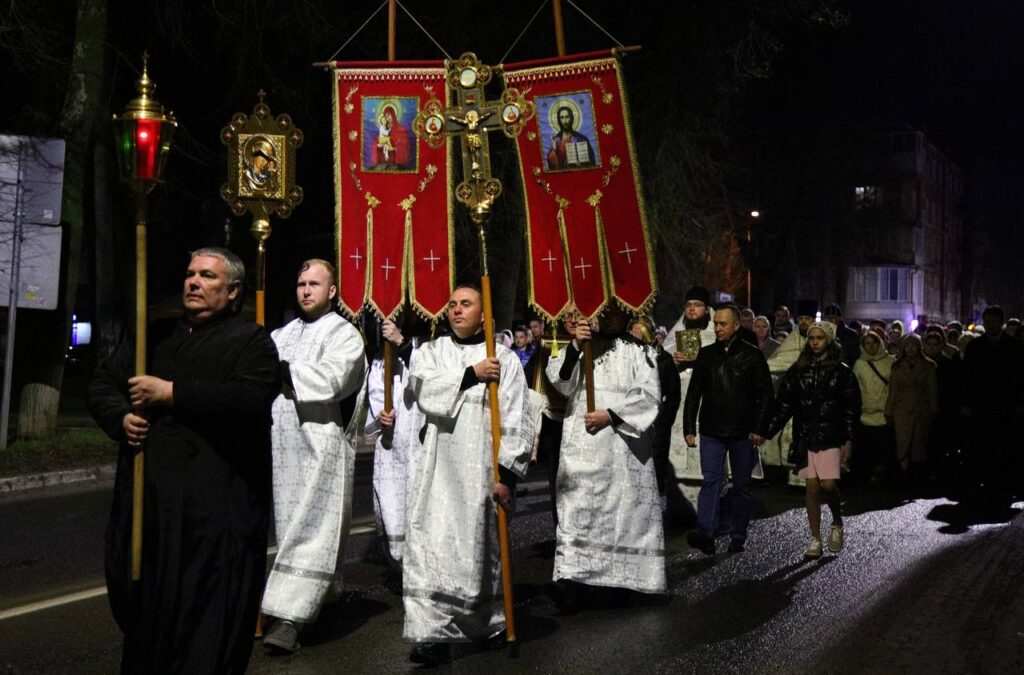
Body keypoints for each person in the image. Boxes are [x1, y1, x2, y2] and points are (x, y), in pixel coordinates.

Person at [88, 247, 280, 674]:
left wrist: (171, 393)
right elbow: (103, 384)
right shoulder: (153, 335)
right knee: (145, 622)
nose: (194, 282)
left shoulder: (251, 341)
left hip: (213, 517)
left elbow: (248, 399)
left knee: (203, 629)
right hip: (151, 509)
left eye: (207, 276)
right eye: (190, 273)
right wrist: (120, 417)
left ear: (232, 290)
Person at [402, 286, 532, 665]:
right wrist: (470, 375)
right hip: (437, 467)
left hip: (480, 470)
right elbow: (423, 389)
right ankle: (431, 632)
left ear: (484, 315)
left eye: (466, 304)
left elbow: (516, 419)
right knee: (428, 545)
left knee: (476, 551)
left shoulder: (504, 360)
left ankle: (487, 624)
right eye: (453, 305)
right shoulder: (432, 351)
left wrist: (507, 475)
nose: (457, 311)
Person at [260, 259, 366, 653]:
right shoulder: (279, 334)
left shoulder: (346, 335)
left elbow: (333, 380)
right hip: (282, 443)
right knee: (289, 528)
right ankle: (322, 594)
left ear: (332, 291)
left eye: (315, 284)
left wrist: (278, 369)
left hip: (321, 444)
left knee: (312, 527)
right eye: (301, 283)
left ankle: (289, 617)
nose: (306, 290)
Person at [545, 304, 665, 610]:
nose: (608, 317)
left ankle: (629, 582)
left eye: (615, 312)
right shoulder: (582, 346)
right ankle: (572, 580)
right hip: (582, 447)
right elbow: (559, 380)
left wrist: (611, 415)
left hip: (623, 451)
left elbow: (649, 396)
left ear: (627, 315)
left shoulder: (641, 352)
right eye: (604, 311)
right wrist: (574, 347)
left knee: (625, 515)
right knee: (577, 511)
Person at [683, 304, 774, 555]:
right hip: (712, 430)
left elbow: (765, 395)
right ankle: (706, 533)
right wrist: (689, 426)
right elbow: (694, 394)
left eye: (723, 324)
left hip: (742, 432)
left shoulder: (752, 356)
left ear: (736, 325)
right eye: (716, 324)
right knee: (710, 481)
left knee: (741, 485)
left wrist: (759, 427)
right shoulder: (706, 354)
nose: (718, 328)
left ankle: (737, 535)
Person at [768, 321, 860, 559]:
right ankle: (815, 538)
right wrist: (766, 431)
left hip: (831, 435)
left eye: (820, 338)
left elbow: (850, 408)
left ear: (828, 340)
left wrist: (848, 439)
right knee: (811, 487)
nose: (815, 342)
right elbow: (784, 404)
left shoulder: (842, 372)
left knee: (828, 485)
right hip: (806, 435)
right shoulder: (798, 369)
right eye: (812, 338)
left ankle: (837, 522)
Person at [366, 316, 427, 568]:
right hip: (392, 443)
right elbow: (376, 391)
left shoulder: (429, 348)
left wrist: (402, 344)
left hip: (420, 441)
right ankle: (400, 563)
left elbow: (429, 382)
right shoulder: (382, 359)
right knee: (391, 505)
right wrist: (382, 414)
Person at [963, 306, 1024, 504]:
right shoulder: (975, 347)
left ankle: (1003, 484)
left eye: (994, 321)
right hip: (982, 407)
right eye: (987, 321)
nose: (990, 325)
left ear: (1001, 323)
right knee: (984, 446)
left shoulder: (1016, 347)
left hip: (1007, 407)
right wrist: (966, 402)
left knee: (1005, 446)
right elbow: (967, 378)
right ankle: (987, 484)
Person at [663, 286, 717, 484]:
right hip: (680, 398)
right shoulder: (676, 334)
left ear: (706, 309)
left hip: (706, 399)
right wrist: (673, 361)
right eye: (688, 305)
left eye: (697, 305)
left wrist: (699, 358)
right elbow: (660, 362)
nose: (692, 309)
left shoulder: (715, 335)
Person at [630, 315, 681, 502]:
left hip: (657, 422)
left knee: (656, 464)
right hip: (632, 421)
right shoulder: (626, 357)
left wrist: (664, 419)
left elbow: (673, 392)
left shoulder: (664, 358)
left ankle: (655, 505)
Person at [885, 334, 938, 484]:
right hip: (901, 410)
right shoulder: (897, 365)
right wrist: (888, 411)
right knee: (903, 443)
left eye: (914, 345)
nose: (911, 349)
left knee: (919, 445)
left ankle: (916, 477)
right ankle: (904, 475)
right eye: (907, 346)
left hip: (921, 409)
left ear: (919, 347)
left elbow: (932, 389)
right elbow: (893, 390)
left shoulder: (929, 365)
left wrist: (934, 409)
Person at [851, 331, 896, 484]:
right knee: (868, 447)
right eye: (867, 343)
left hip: (885, 413)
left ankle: (883, 474)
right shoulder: (859, 364)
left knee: (884, 447)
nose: (871, 346)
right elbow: (855, 388)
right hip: (866, 413)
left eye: (875, 342)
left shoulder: (890, 361)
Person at [546, 105, 596, 169]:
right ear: (559, 120)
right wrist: (554, 150)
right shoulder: (556, 140)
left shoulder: (581, 138)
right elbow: (552, 167)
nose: (565, 121)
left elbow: (592, 163)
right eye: (562, 117)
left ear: (571, 118)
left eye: (567, 117)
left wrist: (582, 164)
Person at [372, 103, 412, 169]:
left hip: (396, 162)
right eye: (386, 116)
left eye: (389, 115)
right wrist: (378, 145)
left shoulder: (401, 129)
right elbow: (378, 140)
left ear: (393, 114)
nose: (388, 118)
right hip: (384, 161)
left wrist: (394, 149)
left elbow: (405, 146)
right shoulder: (384, 128)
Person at [823, 303, 861, 367]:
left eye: (833, 317)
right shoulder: (823, 333)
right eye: (828, 318)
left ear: (839, 318)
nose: (830, 321)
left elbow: (855, 356)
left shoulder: (851, 335)